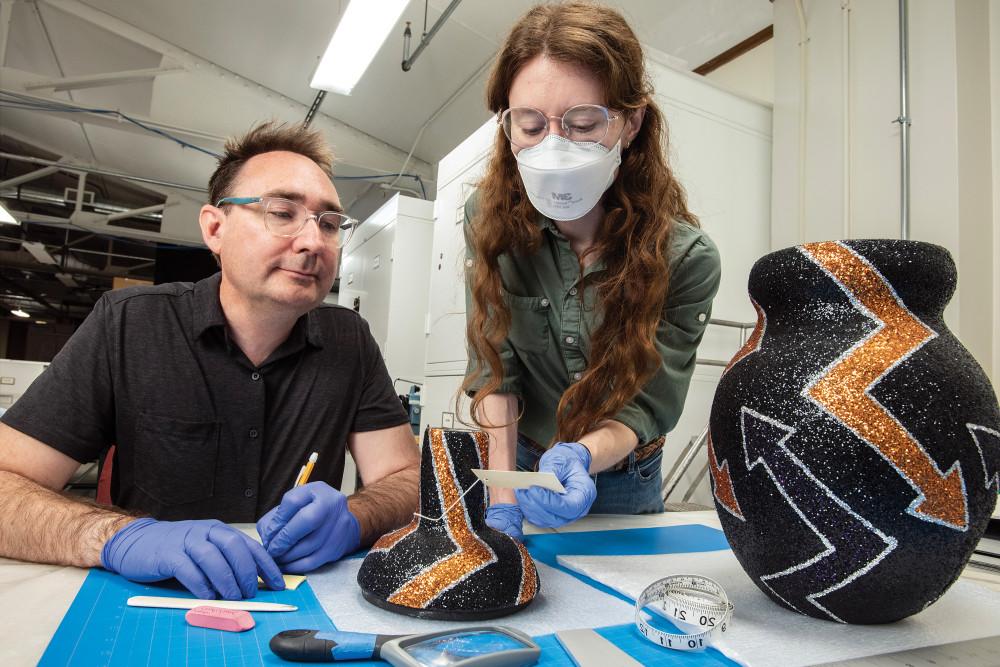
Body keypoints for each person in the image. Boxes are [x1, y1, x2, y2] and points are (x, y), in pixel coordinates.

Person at [0, 121, 420, 599]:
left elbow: (406, 479)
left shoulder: (350, 341)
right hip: (155, 598)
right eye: (282, 212)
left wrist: (355, 517)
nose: (313, 242)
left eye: (328, 223)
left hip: (297, 602)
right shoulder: (129, 325)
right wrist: (117, 537)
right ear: (215, 229)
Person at [462, 3, 722, 540]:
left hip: (625, 472)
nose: (553, 148)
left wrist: (584, 452)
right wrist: (504, 494)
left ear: (631, 123)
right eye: (531, 126)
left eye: (582, 124)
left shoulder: (687, 258)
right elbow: (497, 367)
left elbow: (649, 401)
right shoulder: (489, 221)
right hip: (522, 458)